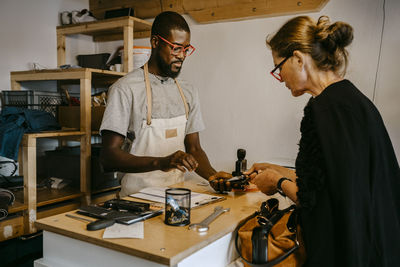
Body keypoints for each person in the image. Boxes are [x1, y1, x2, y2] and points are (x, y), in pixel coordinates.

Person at [244, 15, 400, 266]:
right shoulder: (351, 101)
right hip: (379, 248)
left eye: (278, 67)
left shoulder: (324, 111)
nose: (280, 77)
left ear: (298, 58)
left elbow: (314, 202)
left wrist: (278, 182)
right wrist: (278, 170)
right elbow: (332, 180)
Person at [100, 11, 232, 197]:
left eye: (186, 49)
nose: (182, 56)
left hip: (176, 197)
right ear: (155, 42)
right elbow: (108, 157)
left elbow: (194, 148)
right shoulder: (125, 89)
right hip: (136, 200)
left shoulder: (187, 91)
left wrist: (212, 176)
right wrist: (161, 163)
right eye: (176, 48)